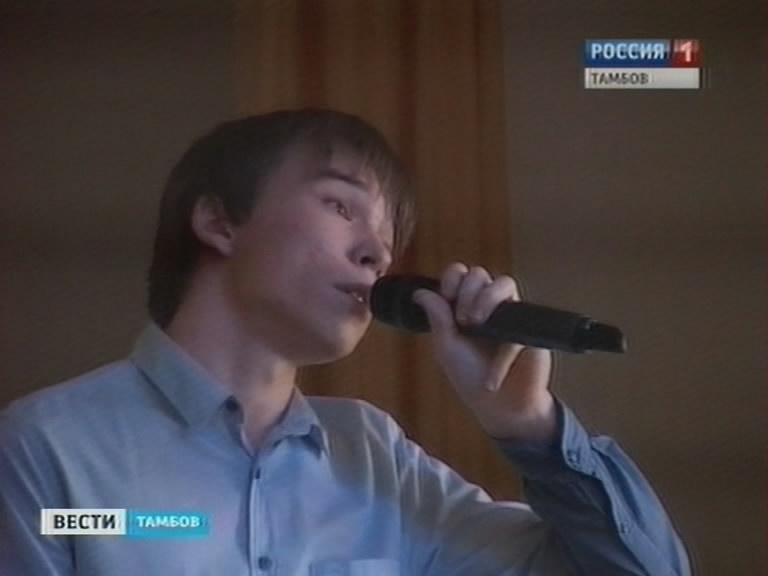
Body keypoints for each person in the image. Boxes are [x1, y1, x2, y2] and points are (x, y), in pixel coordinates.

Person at [0, 109, 690, 575]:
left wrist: (530, 427)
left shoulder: (377, 457)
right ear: (219, 221)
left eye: (388, 239)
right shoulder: (46, 449)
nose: (377, 255)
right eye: (340, 205)